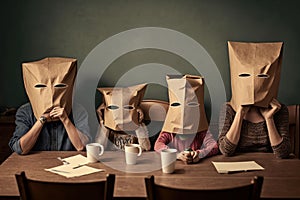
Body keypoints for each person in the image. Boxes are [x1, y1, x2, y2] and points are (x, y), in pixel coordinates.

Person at [218, 41, 291, 158]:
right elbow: (226, 150)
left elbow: (282, 153)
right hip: (237, 167)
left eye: (262, 76)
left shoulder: (279, 110)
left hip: (271, 169)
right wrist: (240, 113)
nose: (254, 83)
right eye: (244, 75)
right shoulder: (229, 109)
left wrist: (269, 118)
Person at [9, 57, 91, 155]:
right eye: (41, 86)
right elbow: (21, 149)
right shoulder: (25, 111)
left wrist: (65, 120)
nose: (51, 94)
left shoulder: (78, 110)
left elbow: (82, 146)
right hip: (35, 165)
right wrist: (41, 120)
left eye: (59, 86)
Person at [154, 75, 219, 164]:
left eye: (192, 105)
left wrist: (199, 154)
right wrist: (176, 155)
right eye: (177, 105)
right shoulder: (170, 132)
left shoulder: (200, 131)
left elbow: (214, 146)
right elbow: (158, 145)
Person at [95, 83, 151, 151]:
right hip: (112, 159)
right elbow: (99, 147)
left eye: (128, 108)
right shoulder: (108, 127)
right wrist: (103, 121)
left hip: (133, 159)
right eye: (114, 108)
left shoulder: (139, 127)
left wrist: (138, 124)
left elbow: (146, 148)